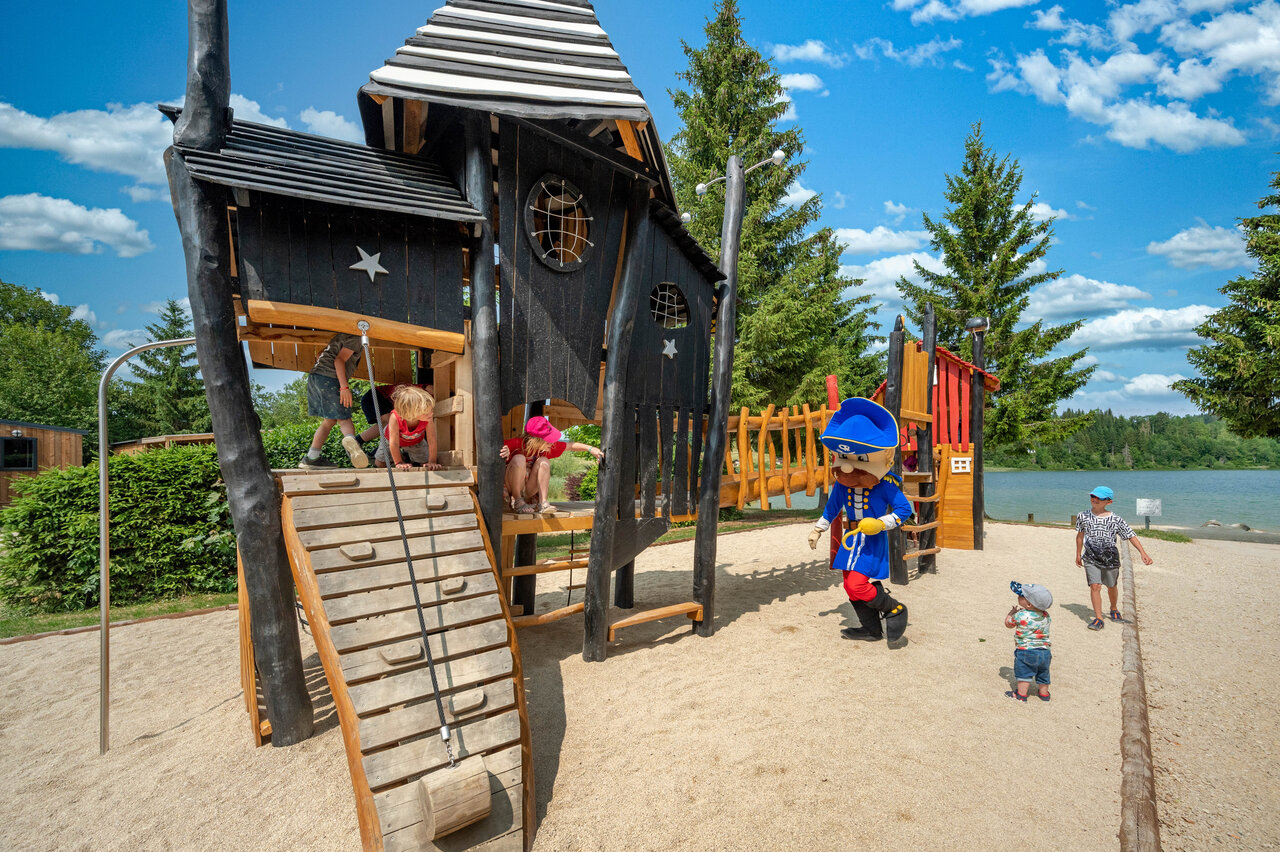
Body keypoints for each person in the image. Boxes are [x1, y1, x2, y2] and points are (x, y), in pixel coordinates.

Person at [806, 398, 914, 642]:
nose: (846, 468)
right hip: (850, 539)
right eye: (843, 458)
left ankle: (894, 608)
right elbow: (832, 508)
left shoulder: (885, 485)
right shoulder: (843, 484)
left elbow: (903, 510)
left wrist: (881, 523)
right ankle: (871, 629)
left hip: (871, 540)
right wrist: (818, 529)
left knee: (856, 585)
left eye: (859, 459)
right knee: (848, 585)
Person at [1075, 485, 1154, 631]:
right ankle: (1099, 618)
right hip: (1091, 557)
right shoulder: (1083, 516)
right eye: (1093, 497)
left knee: (1111, 586)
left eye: (1099, 498)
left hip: (1110, 558)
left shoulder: (1116, 519)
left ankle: (1113, 607)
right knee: (1095, 586)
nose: (1095, 500)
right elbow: (1080, 536)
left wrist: (1143, 553)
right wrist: (1078, 554)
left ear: (1108, 502)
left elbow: (1130, 535)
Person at [500, 415, 602, 515]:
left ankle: (543, 503)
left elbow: (570, 445)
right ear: (536, 441)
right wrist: (504, 452)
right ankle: (517, 501)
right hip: (513, 488)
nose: (552, 442)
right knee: (519, 458)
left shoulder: (546, 448)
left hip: (529, 490)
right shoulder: (516, 444)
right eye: (548, 439)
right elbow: (490, 450)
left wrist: (591, 449)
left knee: (544, 461)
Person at [299, 332, 368, 470]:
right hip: (330, 379)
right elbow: (339, 360)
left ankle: (312, 458)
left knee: (329, 421)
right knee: (344, 418)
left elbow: (320, 354)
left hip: (315, 377)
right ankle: (351, 440)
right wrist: (344, 387)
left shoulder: (340, 336)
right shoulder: (356, 337)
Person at [373, 385, 442, 471]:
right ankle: (399, 457)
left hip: (415, 440)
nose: (431, 414)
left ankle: (406, 456)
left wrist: (432, 461)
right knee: (380, 463)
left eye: (431, 410)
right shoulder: (395, 418)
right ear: (412, 413)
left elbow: (431, 439)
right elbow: (393, 443)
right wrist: (399, 462)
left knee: (424, 462)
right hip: (390, 439)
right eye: (427, 412)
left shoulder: (427, 418)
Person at [1004, 581, 1053, 702]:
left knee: (1024, 674)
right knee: (1043, 674)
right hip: (1045, 651)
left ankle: (1021, 695)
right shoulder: (1046, 615)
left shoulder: (1021, 615)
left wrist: (1011, 614)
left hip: (1026, 651)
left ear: (1029, 604)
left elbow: (1008, 624)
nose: (1018, 597)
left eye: (1021, 596)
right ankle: (1044, 693)